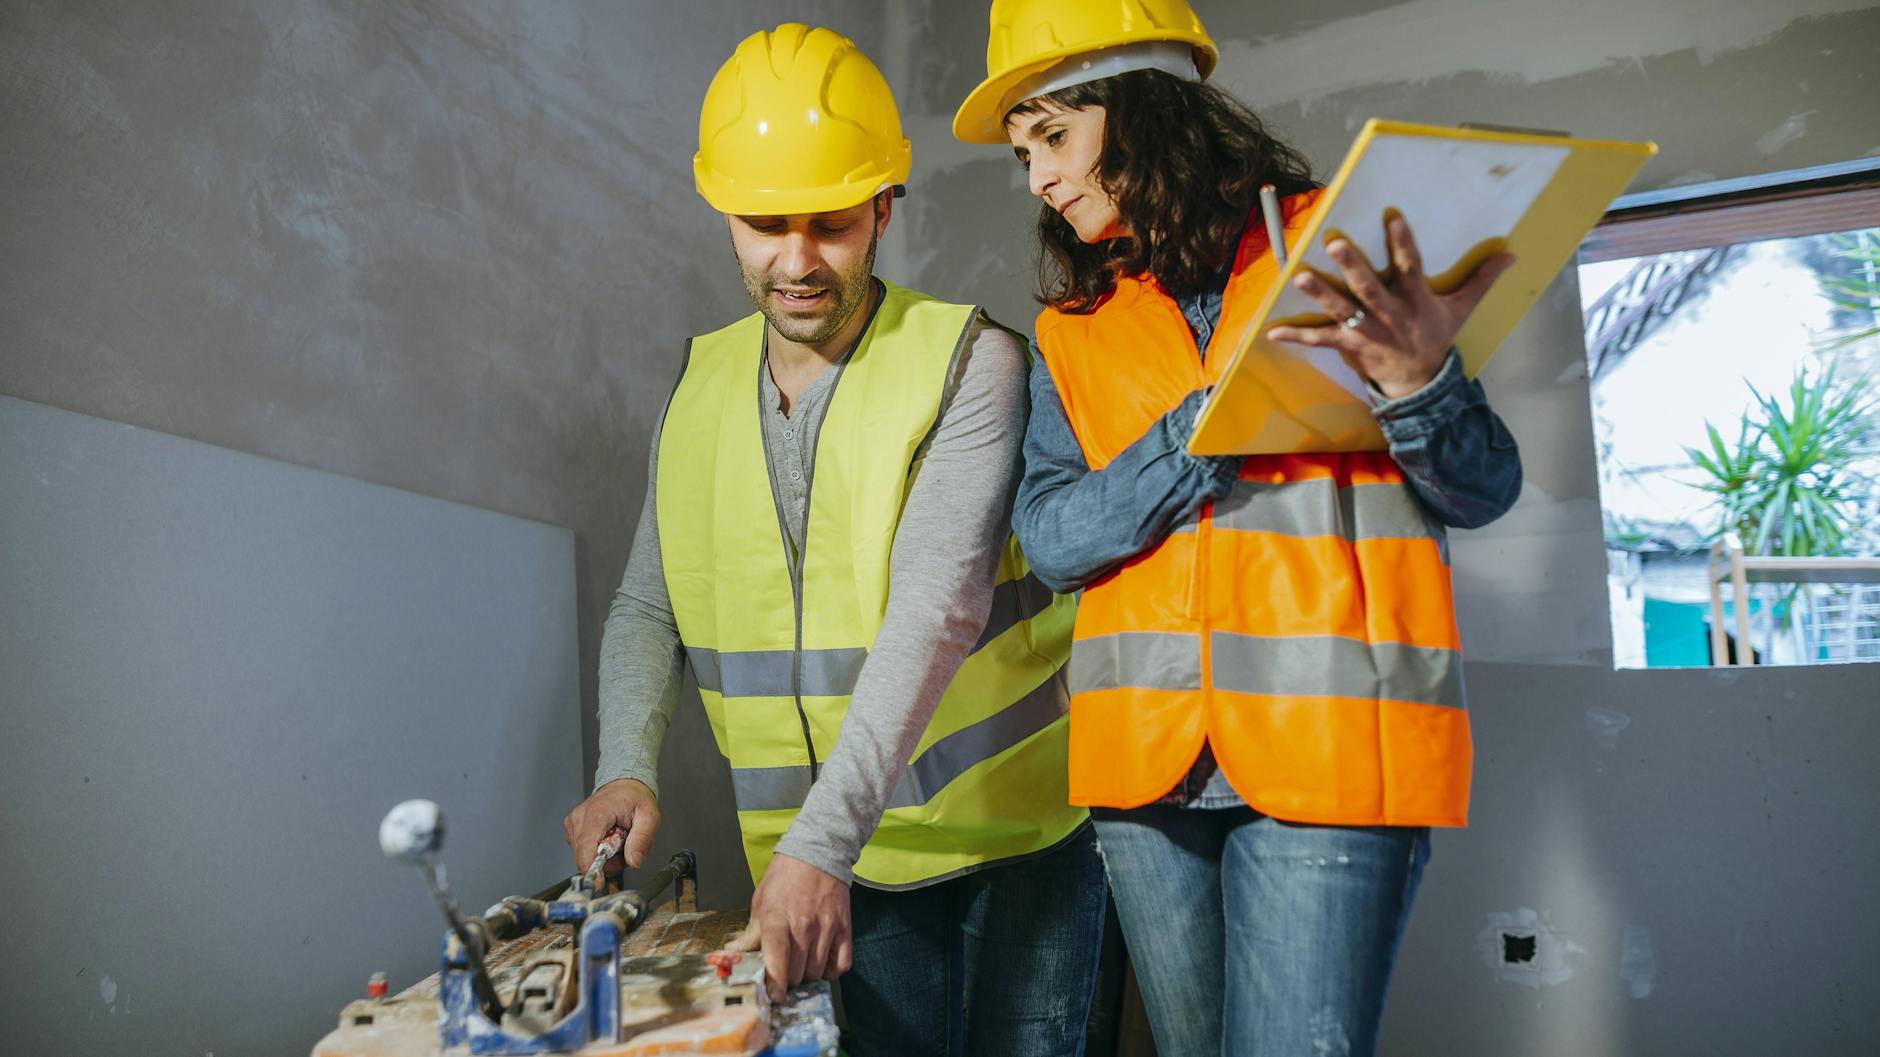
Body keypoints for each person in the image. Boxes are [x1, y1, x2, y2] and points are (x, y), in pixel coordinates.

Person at [951, 2, 1524, 1054]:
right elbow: (1057, 538)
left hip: (1333, 745)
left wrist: (1416, 385)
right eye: (1021, 151)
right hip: (1144, 772)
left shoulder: (1342, 253)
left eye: (1051, 136)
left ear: (1140, 110)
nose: (1034, 177)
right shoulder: (1071, 333)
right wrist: (1206, 425)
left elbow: (1484, 486)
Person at [562, 23, 1105, 1057]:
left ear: (882, 210)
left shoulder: (972, 362)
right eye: (767, 224)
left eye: (832, 226)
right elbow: (648, 601)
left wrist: (816, 842)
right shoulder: (698, 387)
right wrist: (625, 765)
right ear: (725, 215)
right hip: (850, 863)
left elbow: (937, 608)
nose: (797, 259)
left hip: (1022, 842)